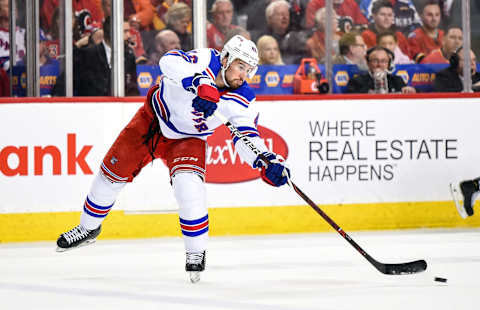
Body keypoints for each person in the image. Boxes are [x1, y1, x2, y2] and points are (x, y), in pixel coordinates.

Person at [55, 35, 291, 283]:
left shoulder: (243, 99)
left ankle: (196, 252)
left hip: (188, 139)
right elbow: (168, 62)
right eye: (241, 66)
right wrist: (200, 82)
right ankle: (88, 228)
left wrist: (265, 160)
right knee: (110, 177)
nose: (244, 75)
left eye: (249, 69)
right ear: (226, 58)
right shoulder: (206, 59)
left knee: (189, 189)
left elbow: (246, 137)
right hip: (151, 120)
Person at [346, 46, 416, 93]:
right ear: (368, 63)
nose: (379, 65)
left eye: (383, 61)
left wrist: (412, 90)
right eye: (375, 61)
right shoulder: (356, 81)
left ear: (389, 64)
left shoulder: (397, 80)